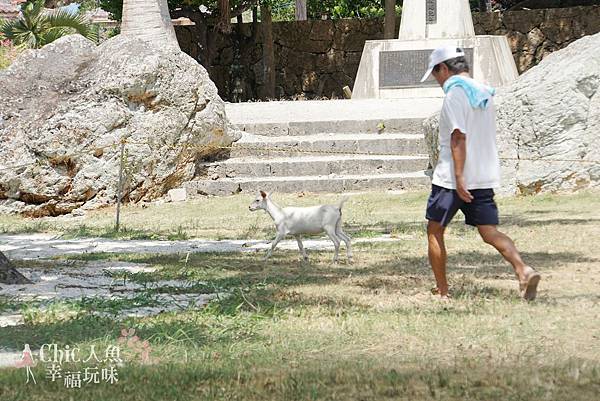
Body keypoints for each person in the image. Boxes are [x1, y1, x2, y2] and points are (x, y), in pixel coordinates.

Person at [420, 46, 541, 301]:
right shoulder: (483, 92)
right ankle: (523, 270)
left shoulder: (455, 94)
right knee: (489, 232)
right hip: (482, 175)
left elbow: (458, 137)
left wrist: (460, 178)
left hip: (452, 179)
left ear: (443, 68)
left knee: (435, 230)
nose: (436, 79)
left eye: (435, 73)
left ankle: (442, 292)